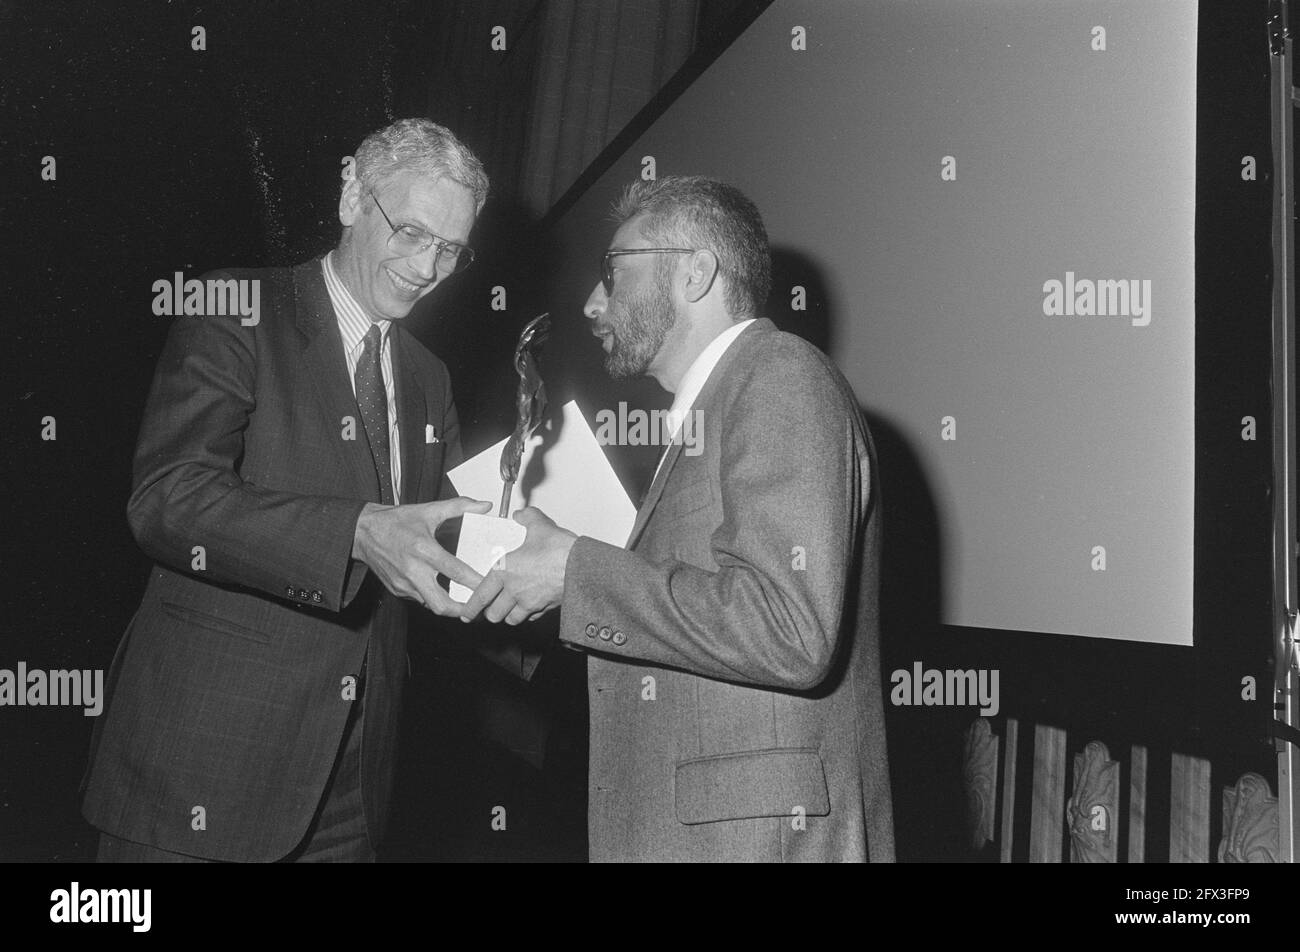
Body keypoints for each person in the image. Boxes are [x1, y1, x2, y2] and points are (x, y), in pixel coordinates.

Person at [82, 118, 504, 862]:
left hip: (354, 784)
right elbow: (168, 500)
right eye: (410, 232)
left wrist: (525, 536)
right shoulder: (233, 307)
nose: (426, 266)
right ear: (351, 195)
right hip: (203, 766)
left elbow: (437, 544)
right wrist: (353, 532)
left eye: (449, 250)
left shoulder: (430, 378)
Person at [463, 176, 896, 862]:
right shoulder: (709, 414)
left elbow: (789, 629)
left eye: (614, 271)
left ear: (695, 272)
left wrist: (574, 569)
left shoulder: (780, 373)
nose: (592, 303)